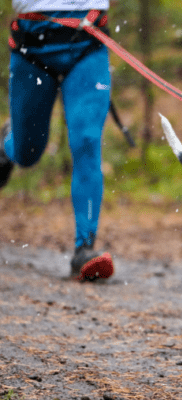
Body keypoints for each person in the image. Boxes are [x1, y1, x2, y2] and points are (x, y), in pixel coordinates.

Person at [0, 0, 115, 281]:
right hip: (31, 46)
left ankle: (84, 249)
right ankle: (6, 144)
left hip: (88, 42)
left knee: (87, 140)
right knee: (27, 152)